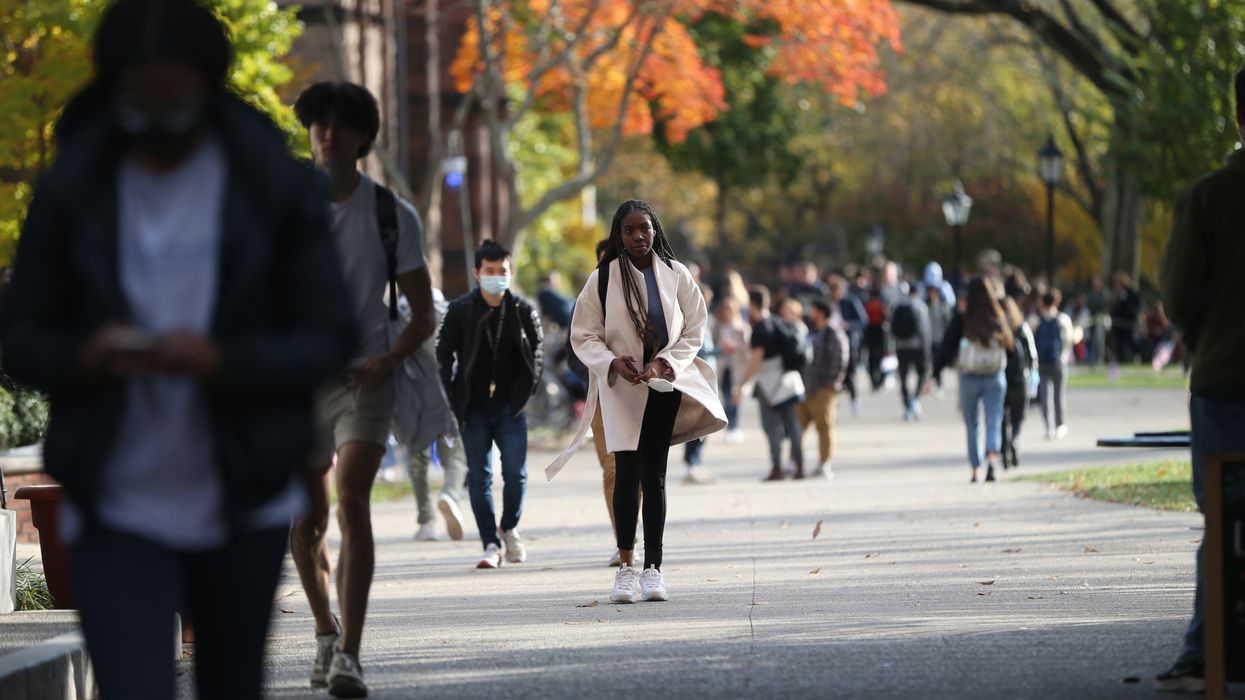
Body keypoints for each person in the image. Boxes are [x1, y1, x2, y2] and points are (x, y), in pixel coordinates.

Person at [0, 2, 358, 698]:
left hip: (241, 490)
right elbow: (20, 335)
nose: (157, 114)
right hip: (113, 493)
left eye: (175, 96)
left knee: (229, 683)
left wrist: (224, 360)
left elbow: (327, 337)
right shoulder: (74, 188)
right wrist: (87, 354)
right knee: (134, 684)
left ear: (206, 85)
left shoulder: (270, 189)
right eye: (139, 96)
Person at [289, 80, 436, 698]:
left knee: (352, 497)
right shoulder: (285, 206)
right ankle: (326, 629)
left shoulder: (389, 214)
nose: (327, 131)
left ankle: (350, 654)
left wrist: (387, 359)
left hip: (364, 376)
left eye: (340, 123)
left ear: (362, 138)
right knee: (308, 518)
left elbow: (424, 313)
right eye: (318, 121)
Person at [547, 199, 726, 604]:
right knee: (626, 473)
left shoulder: (676, 274)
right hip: (621, 388)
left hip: (662, 385)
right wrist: (612, 362)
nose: (638, 236)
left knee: (656, 477)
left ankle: (654, 569)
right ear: (618, 235)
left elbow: (695, 329)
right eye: (628, 230)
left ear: (654, 229)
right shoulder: (603, 278)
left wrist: (667, 363)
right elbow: (583, 335)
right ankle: (626, 568)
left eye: (643, 228)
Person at [1154, 65, 1245, 694]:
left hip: (1229, 376)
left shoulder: (1211, 196)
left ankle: (1204, 650)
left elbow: (1180, 296)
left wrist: (1201, 331)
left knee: (1223, 516)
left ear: (1238, 117)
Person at [437, 240, 543, 569]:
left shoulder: (523, 310)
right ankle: (490, 543)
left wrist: (526, 392)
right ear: (476, 273)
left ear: (510, 273)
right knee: (480, 477)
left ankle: (508, 527)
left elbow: (537, 353)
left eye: (502, 271)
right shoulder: (461, 310)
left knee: (515, 473)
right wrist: (453, 399)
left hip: (511, 408)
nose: (496, 277)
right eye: (489, 271)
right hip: (472, 406)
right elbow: (442, 355)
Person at [931, 277, 1014, 483]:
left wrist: (935, 372)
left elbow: (947, 346)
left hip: (969, 376)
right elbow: (1011, 347)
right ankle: (992, 461)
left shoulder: (962, 319)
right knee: (994, 420)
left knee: (972, 424)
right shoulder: (997, 317)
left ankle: (976, 468)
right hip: (995, 375)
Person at [401, 288, 467, 542]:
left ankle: (426, 521)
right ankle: (450, 493)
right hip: (445, 395)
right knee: (456, 455)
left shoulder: (397, 314)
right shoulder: (447, 311)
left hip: (412, 398)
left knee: (418, 461)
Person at [737, 289, 808, 481]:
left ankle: (777, 467)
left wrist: (741, 384)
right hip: (788, 380)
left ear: (753, 304)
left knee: (771, 426)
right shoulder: (778, 322)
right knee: (793, 426)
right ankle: (800, 466)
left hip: (769, 383)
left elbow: (756, 358)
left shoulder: (759, 328)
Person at [795, 300, 849, 479]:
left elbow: (840, 359)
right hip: (807, 387)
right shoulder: (812, 332)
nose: (809, 313)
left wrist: (830, 383)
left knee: (825, 427)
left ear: (820, 312)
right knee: (798, 426)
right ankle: (795, 462)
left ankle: (825, 463)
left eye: (813, 310)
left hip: (824, 389)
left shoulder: (833, 333)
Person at [1031, 289, 1074, 441]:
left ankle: (1049, 427)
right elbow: (1069, 340)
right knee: (1059, 395)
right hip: (1058, 363)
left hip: (1041, 363)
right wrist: (1064, 356)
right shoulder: (1063, 319)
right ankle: (1060, 425)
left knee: (1044, 396)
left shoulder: (1035, 320)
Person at [1000, 296, 1037, 468]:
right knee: (1018, 418)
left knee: (1002, 417)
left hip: (1001, 378)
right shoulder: (1022, 328)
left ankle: (1004, 451)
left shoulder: (998, 329)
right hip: (1019, 378)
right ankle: (1015, 441)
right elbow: (1032, 355)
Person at [712, 296, 750, 442]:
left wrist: (735, 347)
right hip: (722, 367)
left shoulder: (741, 327)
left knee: (736, 397)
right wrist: (721, 348)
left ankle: (735, 426)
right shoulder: (717, 326)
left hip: (737, 368)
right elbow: (713, 345)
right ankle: (731, 426)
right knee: (727, 397)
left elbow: (748, 348)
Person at [891, 283, 931, 421]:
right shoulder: (920, 306)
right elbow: (924, 330)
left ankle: (908, 405)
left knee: (903, 378)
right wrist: (927, 350)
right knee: (922, 374)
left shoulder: (898, 306)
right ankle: (914, 401)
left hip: (901, 346)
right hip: (917, 346)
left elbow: (892, 328)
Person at [830, 276, 868, 416]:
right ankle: (835, 403)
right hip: (832, 344)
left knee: (849, 374)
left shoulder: (850, 301)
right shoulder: (829, 303)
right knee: (834, 374)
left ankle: (854, 401)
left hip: (849, 342)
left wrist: (848, 325)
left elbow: (863, 320)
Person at [1109, 272, 1143, 364]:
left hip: (1129, 322)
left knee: (1131, 341)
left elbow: (1136, 306)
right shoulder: (1116, 293)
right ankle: (1121, 360)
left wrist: (1125, 301)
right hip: (1118, 323)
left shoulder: (1131, 293)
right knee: (1119, 342)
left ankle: (1137, 356)